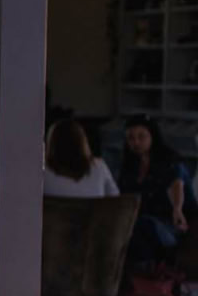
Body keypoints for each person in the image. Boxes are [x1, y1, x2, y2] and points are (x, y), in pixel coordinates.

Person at [116, 114, 188, 273]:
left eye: (141, 136)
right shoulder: (129, 166)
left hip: (167, 225)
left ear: (152, 136)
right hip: (134, 223)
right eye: (131, 138)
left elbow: (177, 183)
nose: (136, 142)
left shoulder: (169, 161)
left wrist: (177, 208)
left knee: (143, 226)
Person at [43, 118, 118, 198]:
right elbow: (115, 199)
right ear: (83, 142)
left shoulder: (42, 172)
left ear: (51, 143)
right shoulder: (99, 166)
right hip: (93, 210)